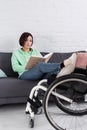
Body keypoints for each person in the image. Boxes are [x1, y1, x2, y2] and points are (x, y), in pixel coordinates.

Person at [11, 32, 75, 81]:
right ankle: (62, 65)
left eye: (30, 41)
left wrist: (44, 61)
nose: (28, 42)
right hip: (24, 74)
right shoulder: (16, 53)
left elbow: (43, 61)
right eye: (26, 40)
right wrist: (28, 67)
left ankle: (60, 72)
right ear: (22, 41)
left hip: (38, 73)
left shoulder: (35, 51)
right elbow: (15, 68)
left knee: (50, 72)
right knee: (40, 65)